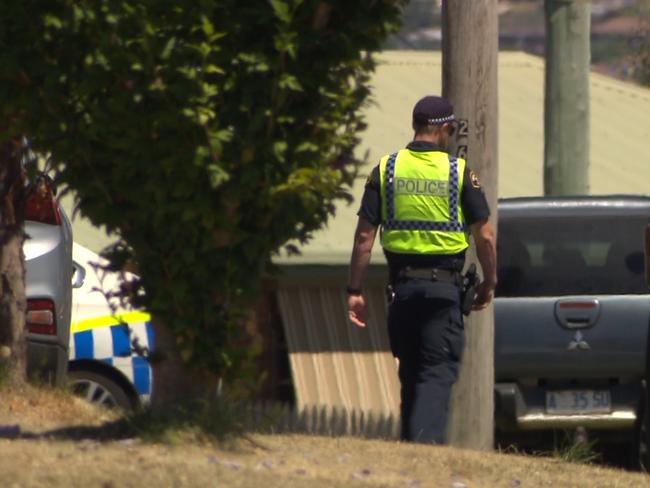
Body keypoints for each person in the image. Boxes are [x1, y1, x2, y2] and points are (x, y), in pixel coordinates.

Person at [346, 95, 497, 444]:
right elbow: (485, 236)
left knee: (412, 375)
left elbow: (364, 239)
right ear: (444, 129)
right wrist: (490, 280)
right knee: (435, 374)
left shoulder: (385, 169)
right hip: (444, 294)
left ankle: (411, 453)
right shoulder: (459, 172)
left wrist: (354, 291)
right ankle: (424, 455)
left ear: (416, 125)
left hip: (402, 291)